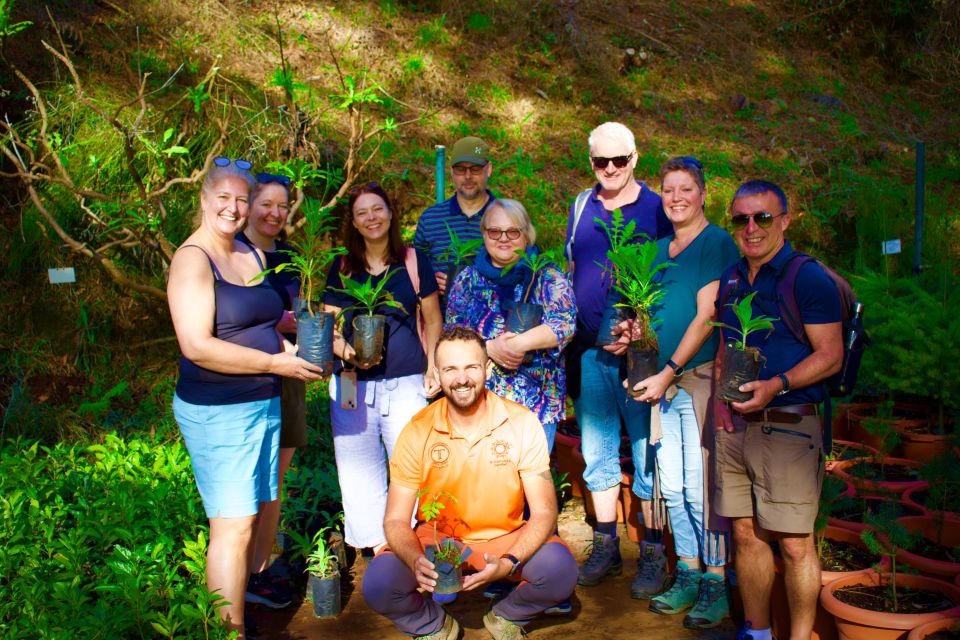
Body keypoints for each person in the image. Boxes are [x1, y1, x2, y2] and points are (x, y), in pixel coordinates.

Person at [167, 157, 325, 638]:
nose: (233, 209)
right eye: (225, 198)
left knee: (251, 514)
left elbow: (261, 322)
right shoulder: (193, 259)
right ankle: (226, 631)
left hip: (264, 402)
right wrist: (276, 363)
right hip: (220, 409)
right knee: (231, 527)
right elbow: (197, 345)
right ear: (203, 199)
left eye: (241, 199)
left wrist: (296, 347)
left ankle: (238, 609)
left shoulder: (249, 253)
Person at [362, 327, 578, 640]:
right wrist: (415, 559)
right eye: (450, 369)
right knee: (380, 584)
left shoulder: (521, 422)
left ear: (488, 368)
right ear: (436, 373)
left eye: (471, 367)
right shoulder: (418, 429)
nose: (462, 379)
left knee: (561, 571)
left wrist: (509, 562)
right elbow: (395, 519)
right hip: (437, 540)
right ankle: (431, 624)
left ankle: (507, 616)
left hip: (505, 535)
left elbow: (544, 512)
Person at [712, 180, 843, 640]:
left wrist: (776, 385)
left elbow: (831, 354)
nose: (751, 228)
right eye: (741, 219)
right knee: (746, 535)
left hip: (787, 425)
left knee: (794, 544)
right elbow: (726, 346)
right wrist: (719, 407)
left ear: (784, 221)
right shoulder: (732, 278)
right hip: (736, 427)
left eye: (762, 217)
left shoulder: (806, 277)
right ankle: (758, 631)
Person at [627, 157, 741, 629]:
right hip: (662, 386)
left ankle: (716, 580)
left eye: (685, 189)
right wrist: (630, 338)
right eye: (668, 190)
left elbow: (706, 315)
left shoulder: (716, 243)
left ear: (702, 194)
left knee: (701, 488)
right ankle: (689, 572)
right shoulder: (656, 251)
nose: (676, 198)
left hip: (695, 382)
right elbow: (649, 317)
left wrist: (670, 371)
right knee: (671, 487)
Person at [564, 121, 673, 596]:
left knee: (649, 451)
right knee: (597, 452)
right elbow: (573, 267)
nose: (609, 169)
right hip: (590, 352)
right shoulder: (582, 204)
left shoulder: (657, 208)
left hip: (642, 357)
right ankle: (606, 543)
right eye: (600, 161)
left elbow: (673, 275)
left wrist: (642, 331)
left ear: (635, 159)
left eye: (619, 161)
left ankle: (652, 550)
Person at [323, 182, 443, 554]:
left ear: (390, 214)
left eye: (377, 209)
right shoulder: (341, 267)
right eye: (362, 213)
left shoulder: (412, 260)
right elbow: (328, 326)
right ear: (354, 223)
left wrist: (434, 365)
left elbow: (434, 319)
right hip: (350, 382)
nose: (371, 218)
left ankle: (407, 538)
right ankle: (379, 548)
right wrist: (347, 354)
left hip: (406, 383)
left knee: (409, 464)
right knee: (356, 468)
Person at [445, 198, 576, 452]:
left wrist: (514, 345)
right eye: (495, 231)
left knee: (530, 482)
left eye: (513, 231)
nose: (503, 238)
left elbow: (565, 323)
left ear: (526, 234)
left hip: (536, 403)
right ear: (484, 234)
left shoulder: (546, 276)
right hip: (479, 402)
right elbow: (452, 335)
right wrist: (488, 348)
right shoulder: (467, 279)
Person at [236, 171, 302, 609]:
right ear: (248, 204)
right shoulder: (231, 253)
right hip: (245, 380)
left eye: (283, 206)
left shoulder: (292, 257)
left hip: (289, 377)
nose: (275, 214)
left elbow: (300, 310)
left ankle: (258, 572)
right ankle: (233, 573)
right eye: (267, 204)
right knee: (245, 486)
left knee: (275, 481)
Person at [413, 136, 495, 298]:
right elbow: (414, 269)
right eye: (460, 169)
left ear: (489, 169)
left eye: (476, 169)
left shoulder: (507, 218)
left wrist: (480, 285)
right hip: (439, 318)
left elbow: (523, 272)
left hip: (492, 319)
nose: (468, 176)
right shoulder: (431, 219)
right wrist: (429, 282)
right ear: (451, 172)